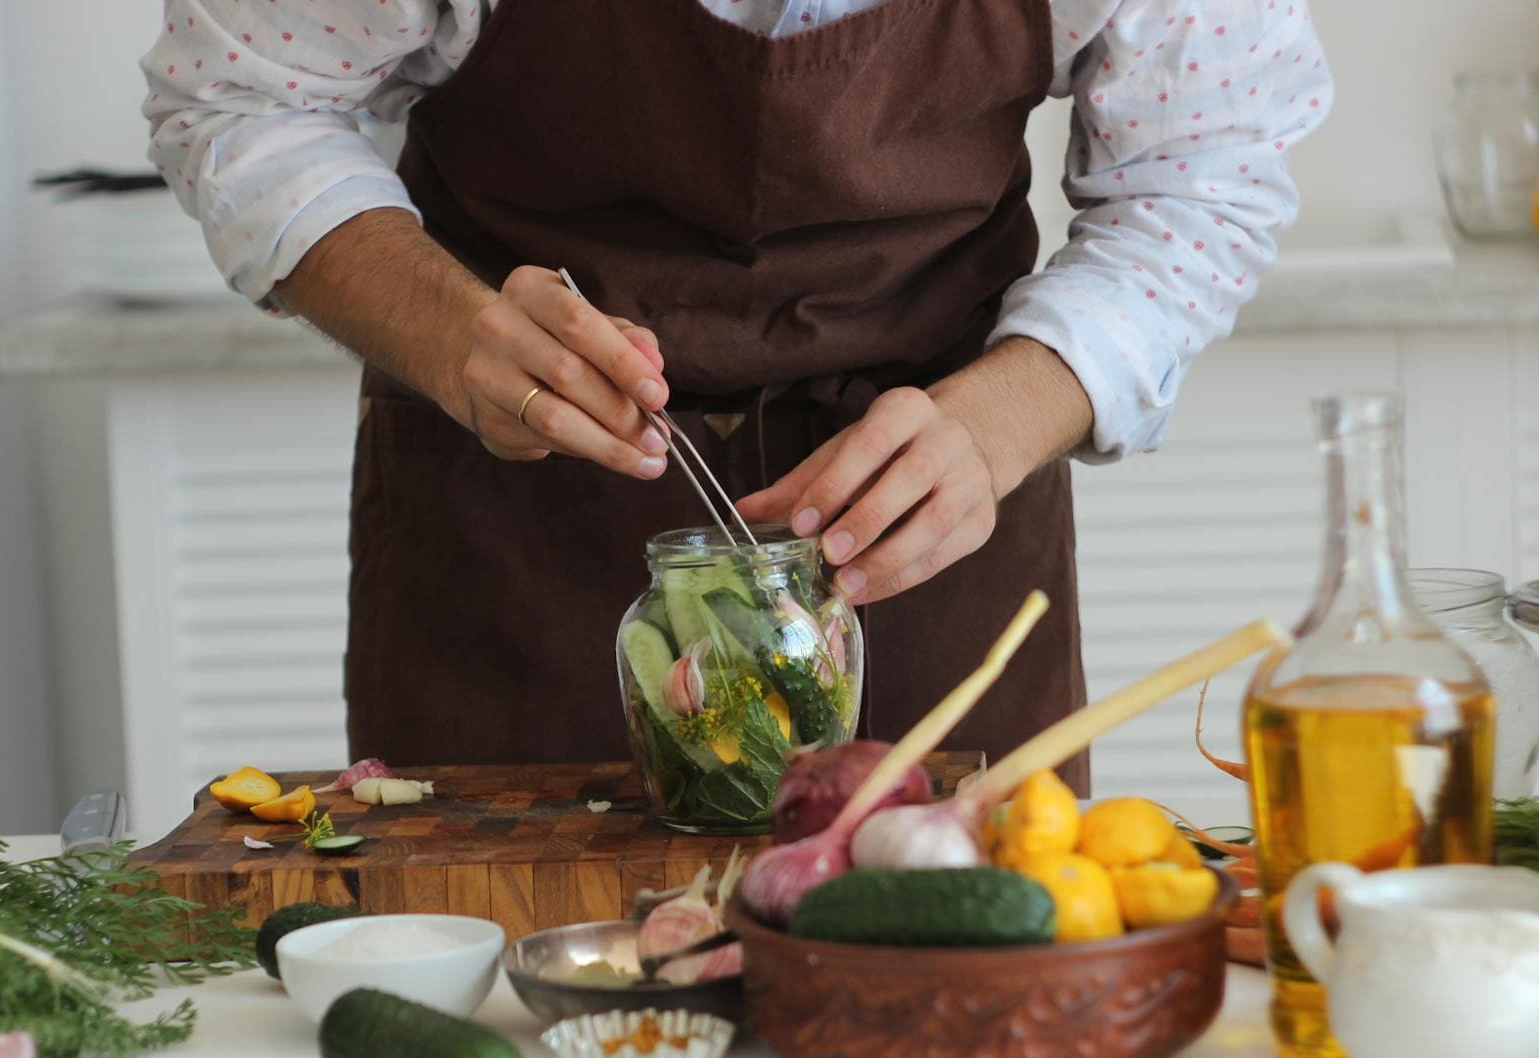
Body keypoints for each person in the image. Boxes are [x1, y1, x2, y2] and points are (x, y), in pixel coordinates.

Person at [141, 0, 1330, 790]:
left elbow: (1204, 171)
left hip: (928, 541)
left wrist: (999, 420)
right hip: (513, 544)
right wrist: (455, 333)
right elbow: (246, 98)